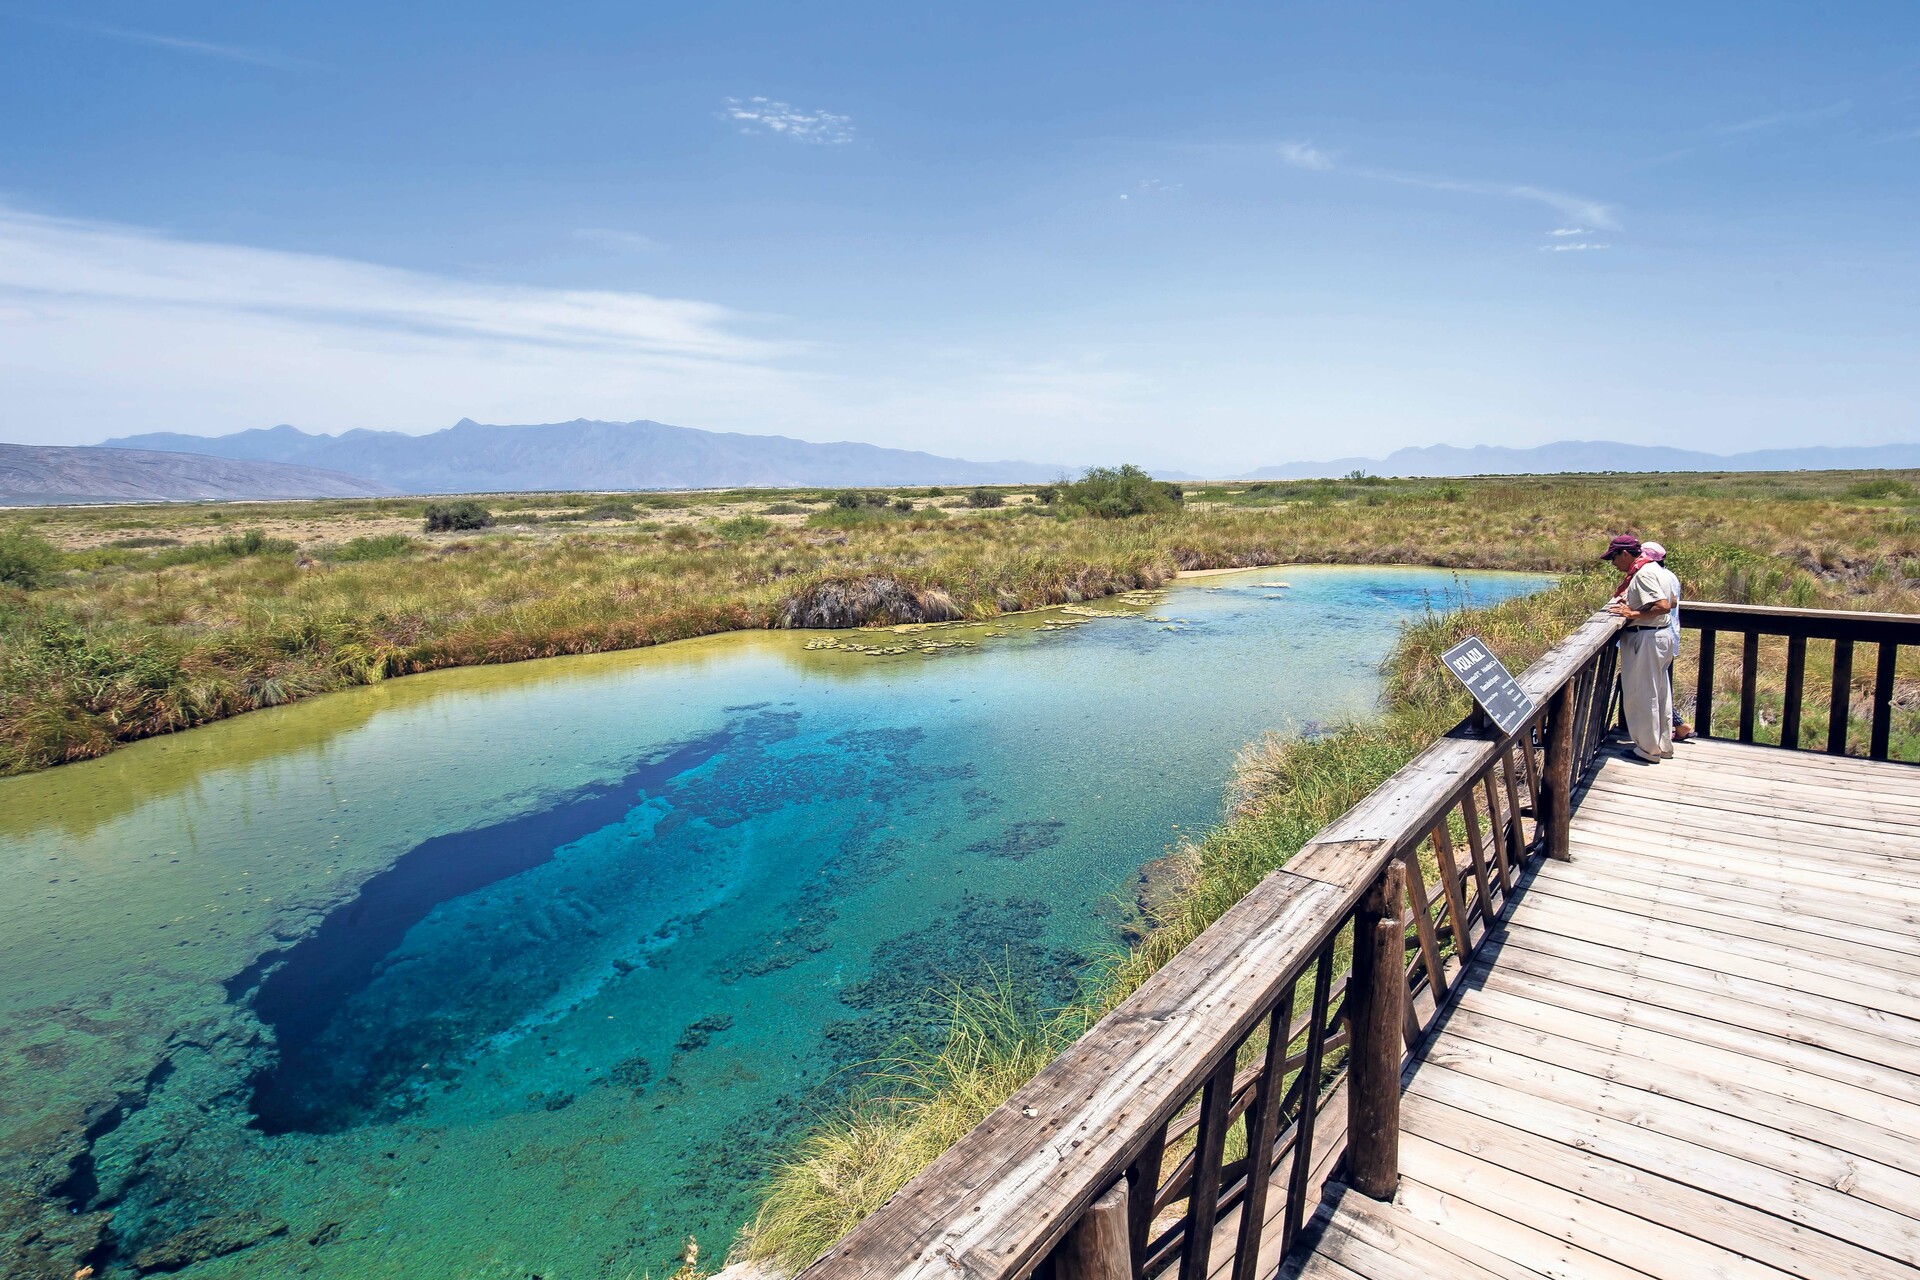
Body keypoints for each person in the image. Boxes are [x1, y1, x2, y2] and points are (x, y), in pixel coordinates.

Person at [1602, 534, 1675, 762]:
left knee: (1641, 695)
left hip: (1646, 638)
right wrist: (1633, 604)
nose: (1613, 564)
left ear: (1625, 554)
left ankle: (1647, 750)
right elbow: (1671, 600)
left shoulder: (1642, 574)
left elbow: (1663, 606)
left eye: (1613, 558)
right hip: (1660, 637)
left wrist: (1632, 613)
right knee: (1659, 694)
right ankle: (1662, 746)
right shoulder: (1656, 569)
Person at [1640, 541, 1693, 741]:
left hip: (1655, 637)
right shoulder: (1669, 575)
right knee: (1660, 685)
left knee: (1655, 688)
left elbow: (1663, 605)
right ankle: (1673, 727)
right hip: (1667, 636)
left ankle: (1672, 728)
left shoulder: (1653, 576)